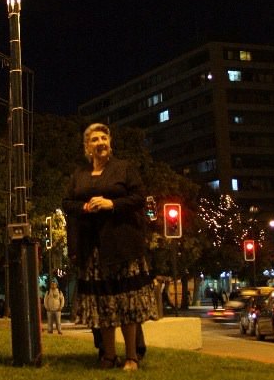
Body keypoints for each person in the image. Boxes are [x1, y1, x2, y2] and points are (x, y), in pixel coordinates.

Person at [63, 123, 156, 371]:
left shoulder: (124, 168)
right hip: (92, 249)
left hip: (122, 247)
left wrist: (111, 204)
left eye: (104, 138)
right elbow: (67, 203)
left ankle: (132, 356)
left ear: (110, 142)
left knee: (126, 303)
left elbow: (139, 198)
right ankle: (108, 355)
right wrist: (84, 207)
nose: (100, 142)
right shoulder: (79, 174)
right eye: (94, 139)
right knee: (102, 303)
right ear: (87, 147)